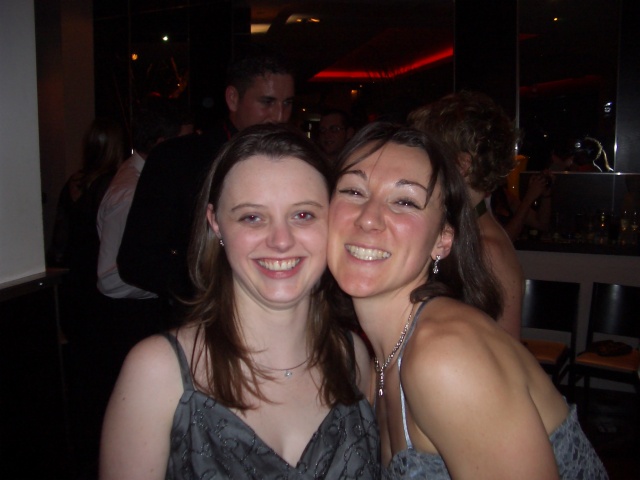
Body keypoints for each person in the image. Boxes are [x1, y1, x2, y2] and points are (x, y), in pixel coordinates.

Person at [327, 121, 607, 479]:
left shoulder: (446, 356)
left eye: (405, 201)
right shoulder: (376, 356)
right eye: (353, 191)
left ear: (442, 240)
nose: (368, 219)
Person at [99, 124, 380, 479]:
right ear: (216, 224)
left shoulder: (352, 356)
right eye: (252, 217)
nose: (281, 240)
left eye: (303, 215)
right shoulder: (157, 372)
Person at [116, 50, 296, 309]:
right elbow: (136, 261)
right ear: (233, 98)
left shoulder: (295, 162)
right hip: (203, 315)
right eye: (267, 102)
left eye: (287, 103)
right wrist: (214, 288)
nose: (279, 116)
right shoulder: (178, 159)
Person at [409, 91, 524, 339]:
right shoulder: (460, 230)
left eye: (428, 154)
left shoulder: (487, 249)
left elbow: (504, 350)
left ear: (461, 164)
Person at [47, 117, 125, 477]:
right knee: (104, 370)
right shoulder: (113, 184)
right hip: (99, 287)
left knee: (82, 367)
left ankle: (83, 446)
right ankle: (101, 447)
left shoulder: (74, 183)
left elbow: (59, 242)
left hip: (74, 283)